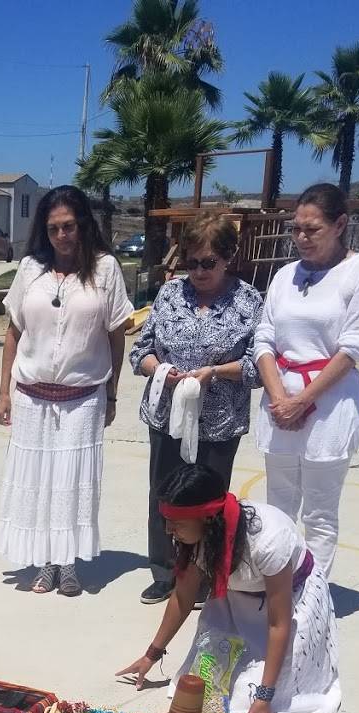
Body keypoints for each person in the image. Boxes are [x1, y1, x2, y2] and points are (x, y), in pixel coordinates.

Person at [116, 465, 340, 713]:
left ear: (208, 519)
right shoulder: (196, 538)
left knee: (249, 699)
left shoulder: (269, 540)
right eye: (167, 520)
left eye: (176, 523)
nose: (169, 530)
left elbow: (279, 623)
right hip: (235, 601)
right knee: (204, 691)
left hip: (290, 602)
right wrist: (151, 654)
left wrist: (265, 698)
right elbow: (183, 597)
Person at [0, 186, 132, 597]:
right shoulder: (30, 269)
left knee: (71, 482)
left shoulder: (106, 270)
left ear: (83, 225)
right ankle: (44, 562)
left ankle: (68, 563)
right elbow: (13, 331)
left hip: (83, 399)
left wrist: (111, 393)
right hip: (32, 396)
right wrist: (3, 392)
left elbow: (117, 335)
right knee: (38, 480)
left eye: (69, 226)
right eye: (53, 228)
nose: (62, 235)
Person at [130, 212, 262, 604]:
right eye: (193, 263)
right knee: (164, 494)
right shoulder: (171, 295)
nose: (200, 272)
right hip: (168, 418)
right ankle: (165, 570)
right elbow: (141, 352)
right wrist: (163, 371)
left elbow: (258, 365)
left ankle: (206, 575)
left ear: (229, 258)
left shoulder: (249, 301)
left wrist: (215, 372)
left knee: (209, 504)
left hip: (219, 422)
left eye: (210, 263)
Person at [254, 183, 359, 578]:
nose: (301, 238)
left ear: (340, 224)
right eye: (296, 229)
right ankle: (276, 588)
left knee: (320, 513)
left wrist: (303, 400)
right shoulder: (284, 276)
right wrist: (279, 396)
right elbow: (265, 337)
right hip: (279, 405)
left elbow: (354, 347)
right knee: (278, 506)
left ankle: (311, 595)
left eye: (312, 229)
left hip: (328, 408)